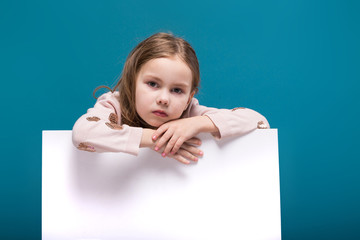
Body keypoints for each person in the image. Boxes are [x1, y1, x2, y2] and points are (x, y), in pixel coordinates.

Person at [72, 32, 269, 164]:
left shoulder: (190, 112)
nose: (164, 98)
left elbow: (260, 122)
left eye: (177, 90)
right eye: (153, 84)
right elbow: (82, 134)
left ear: (189, 97)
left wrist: (199, 123)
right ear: (132, 83)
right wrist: (156, 139)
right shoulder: (115, 104)